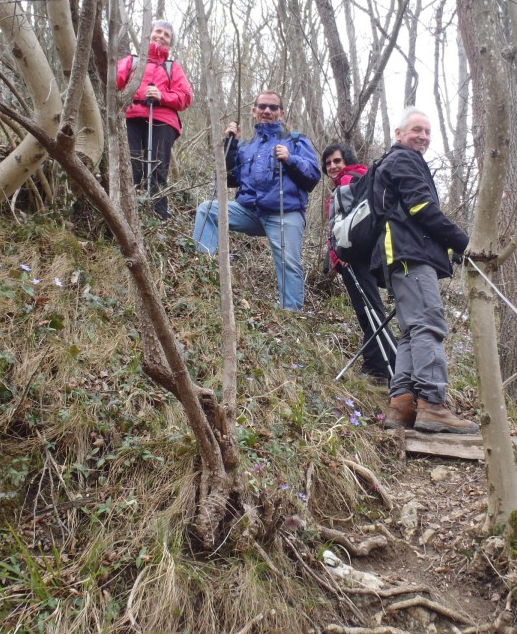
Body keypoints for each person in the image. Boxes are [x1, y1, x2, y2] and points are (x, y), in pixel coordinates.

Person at [378, 108, 479, 435]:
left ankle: (403, 405)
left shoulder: (394, 162)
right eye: (416, 130)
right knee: (428, 325)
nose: (422, 136)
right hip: (409, 255)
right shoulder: (404, 160)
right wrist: (464, 244)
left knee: (413, 331)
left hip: (399, 257)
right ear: (399, 133)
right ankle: (433, 405)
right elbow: (422, 208)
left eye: (426, 131)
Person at [193, 91, 321, 310]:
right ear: (254, 111)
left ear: (282, 113)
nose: (267, 111)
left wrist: (291, 158)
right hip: (250, 211)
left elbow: (313, 176)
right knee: (208, 210)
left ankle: (291, 314)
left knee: (289, 262)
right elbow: (229, 180)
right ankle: (202, 276)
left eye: (273, 108)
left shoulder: (296, 140)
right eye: (262, 107)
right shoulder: (246, 146)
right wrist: (230, 145)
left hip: (285, 212)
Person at [322, 143, 396, 384]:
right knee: (371, 309)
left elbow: (344, 224)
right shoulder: (362, 179)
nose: (332, 166)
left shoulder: (348, 182)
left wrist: (341, 254)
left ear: (347, 161)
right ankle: (385, 365)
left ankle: (380, 368)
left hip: (354, 257)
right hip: (369, 255)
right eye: (328, 163)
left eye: (336, 161)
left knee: (369, 311)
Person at [117, 20, 193, 220]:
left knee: (158, 169)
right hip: (131, 116)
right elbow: (112, 82)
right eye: (158, 32)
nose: (161, 36)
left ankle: (159, 216)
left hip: (162, 119)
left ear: (170, 43)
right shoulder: (132, 61)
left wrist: (162, 96)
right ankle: (126, 212)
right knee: (131, 165)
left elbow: (185, 97)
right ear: (149, 34)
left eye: (166, 35)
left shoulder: (172, 67)